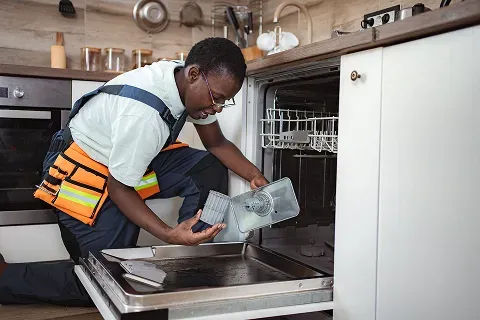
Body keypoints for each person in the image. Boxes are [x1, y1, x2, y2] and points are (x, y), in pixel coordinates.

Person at [0, 37, 268, 305]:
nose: (217, 108)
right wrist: (167, 233)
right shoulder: (144, 116)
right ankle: (6, 278)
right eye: (216, 99)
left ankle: (191, 255)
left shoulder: (185, 80)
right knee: (108, 282)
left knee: (206, 167)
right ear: (194, 75)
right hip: (82, 172)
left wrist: (255, 176)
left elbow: (216, 143)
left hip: (123, 162)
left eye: (224, 102)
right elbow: (119, 189)